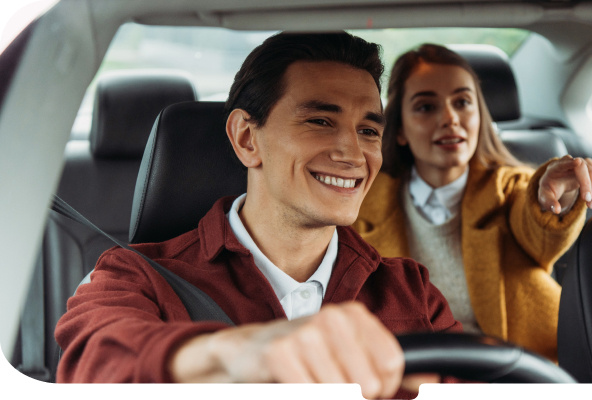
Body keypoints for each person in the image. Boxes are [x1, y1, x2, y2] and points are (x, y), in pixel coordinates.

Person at [55, 32, 460, 399]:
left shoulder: (411, 290)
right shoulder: (136, 276)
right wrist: (235, 353)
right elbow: (93, 362)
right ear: (247, 139)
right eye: (320, 121)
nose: (353, 154)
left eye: (369, 131)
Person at [352, 44, 592, 362]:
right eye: (426, 107)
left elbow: (537, 226)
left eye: (462, 102)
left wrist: (550, 197)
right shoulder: (361, 203)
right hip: (413, 375)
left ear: (479, 117)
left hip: (519, 373)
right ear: (399, 129)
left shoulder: (512, 188)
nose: (450, 118)